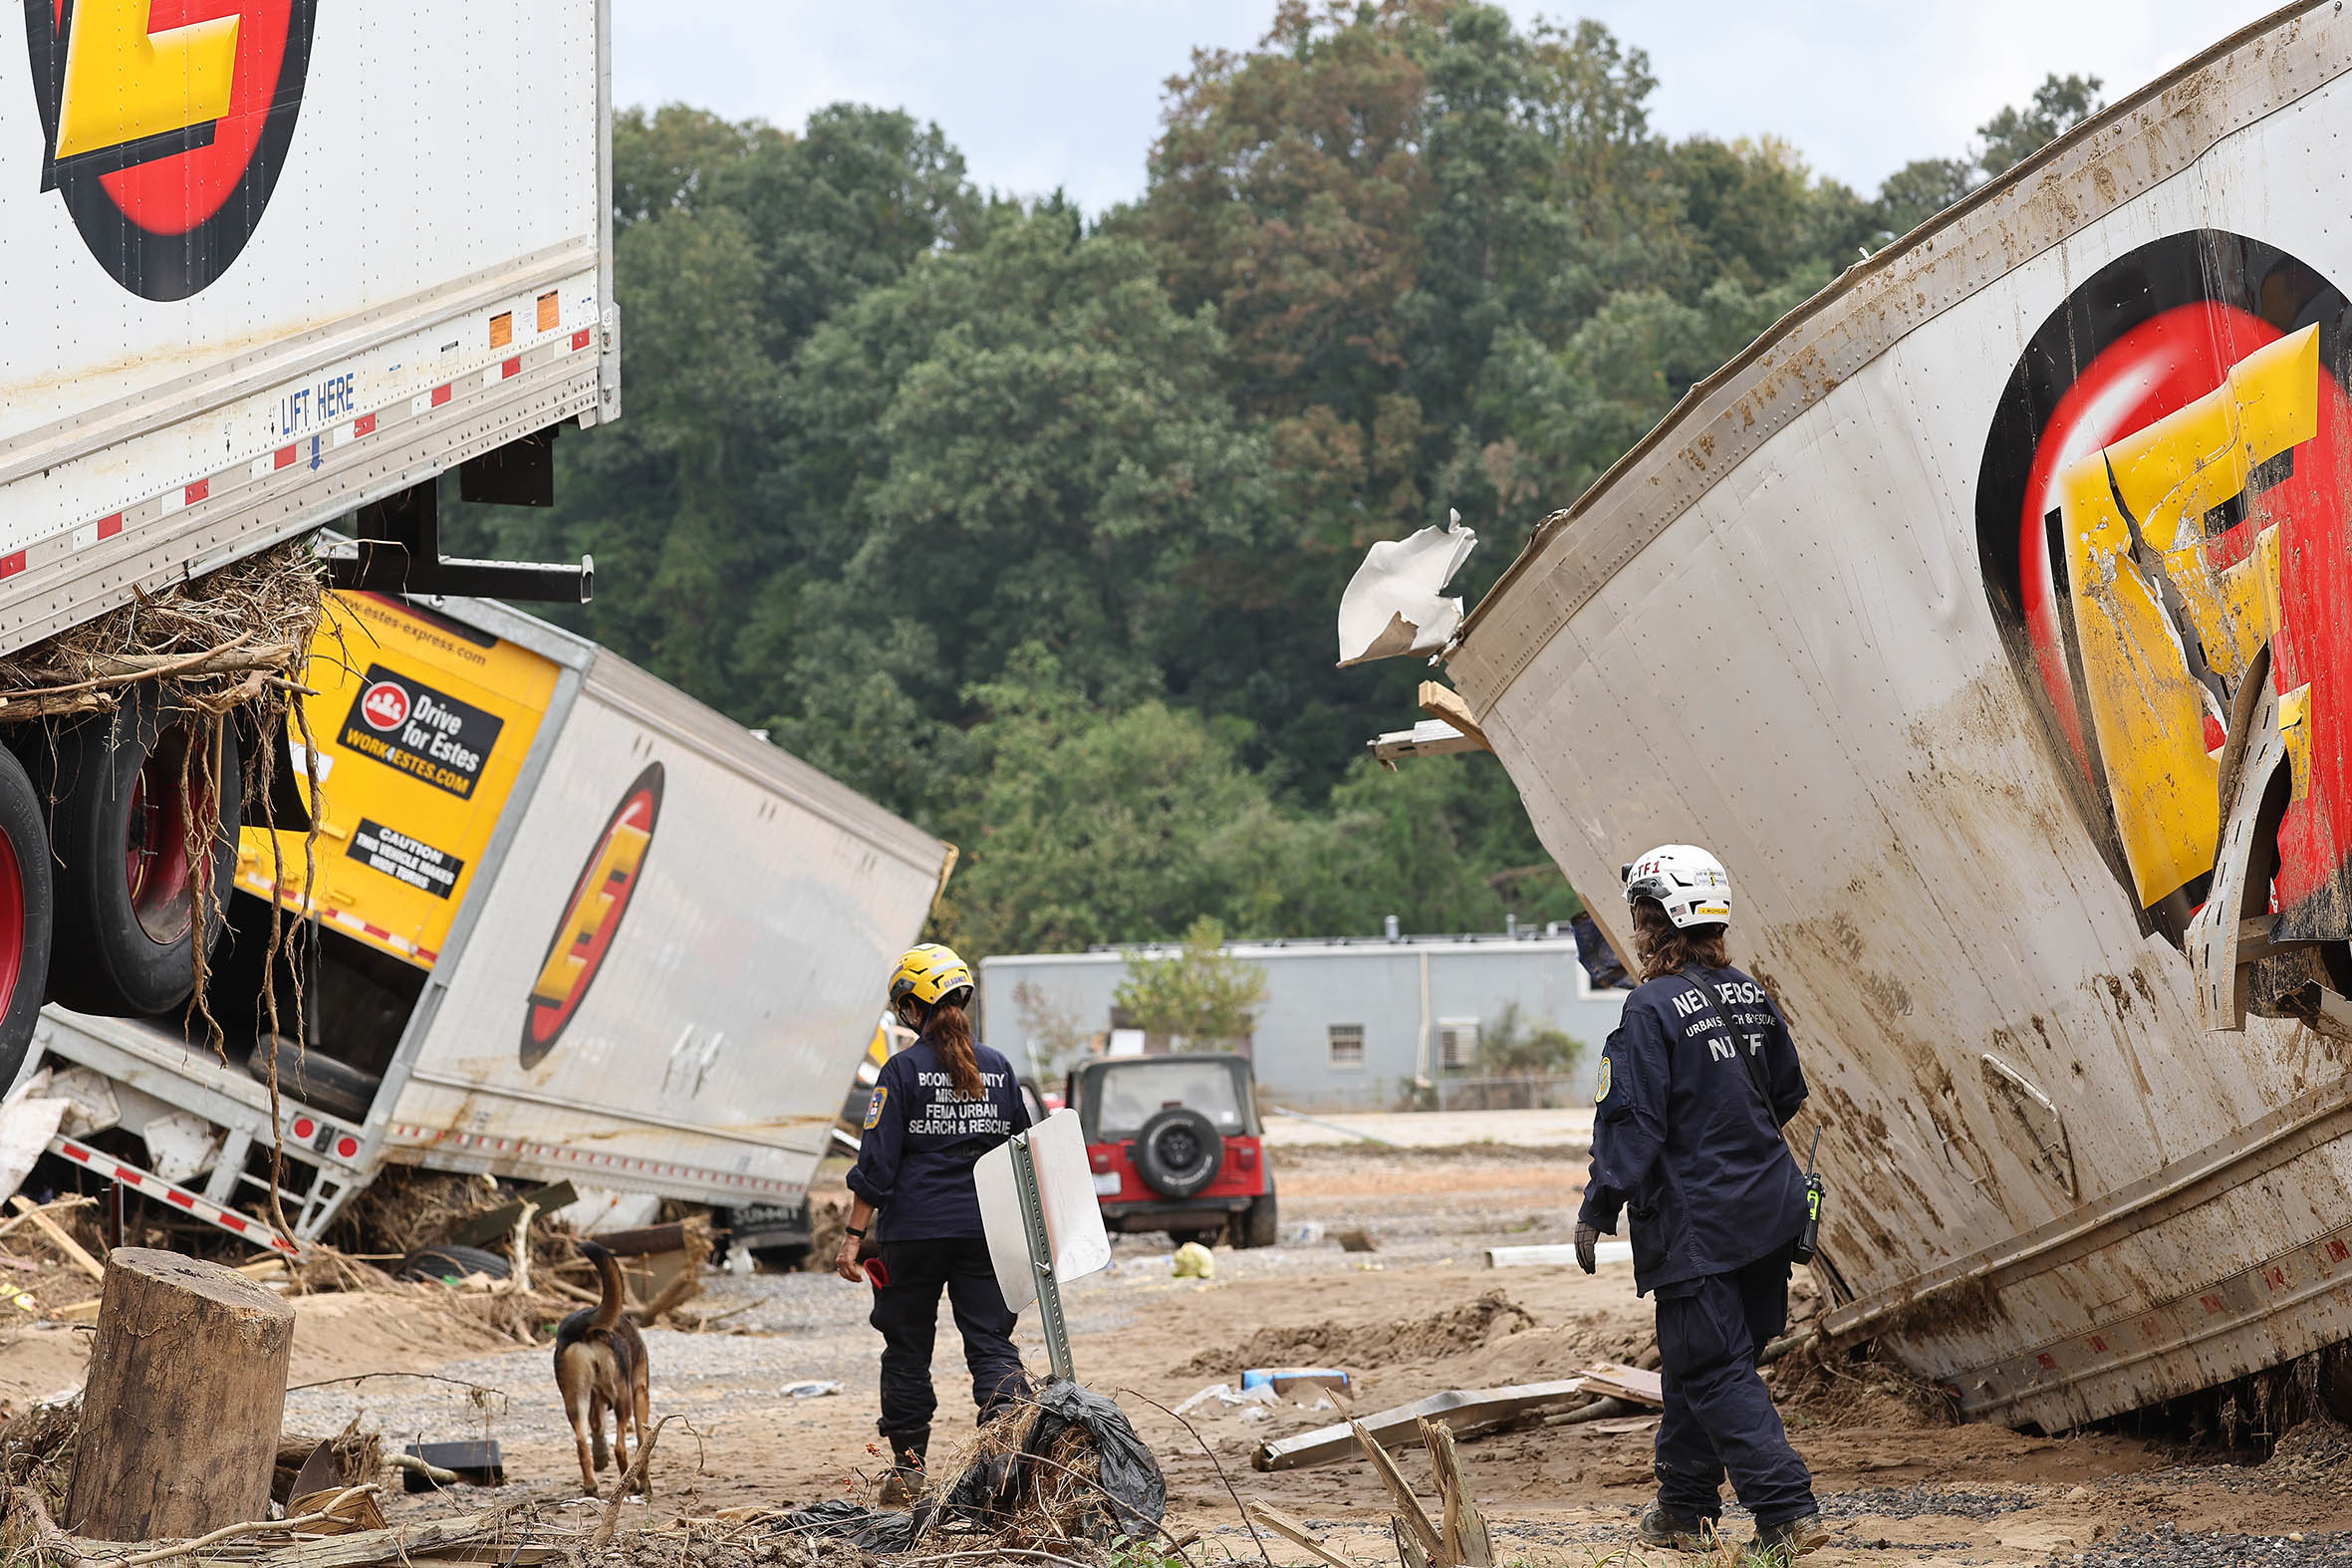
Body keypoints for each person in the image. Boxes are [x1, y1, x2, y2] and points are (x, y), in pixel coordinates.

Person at [1573, 845, 1827, 1558]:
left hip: (1698, 1227)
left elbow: (1632, 1122)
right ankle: (1684, 1509)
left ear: (1659, 920)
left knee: (1713, 1368)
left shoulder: (1649, 1007)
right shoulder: (1749, 991)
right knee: (1705, 1363)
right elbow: (1783, 1095)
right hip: (1768, 1213)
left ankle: (1785, 1512)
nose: (1635, 927)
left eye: (1640, 914)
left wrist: (1598, 1208)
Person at [836, 942, 1032, 1502]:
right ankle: (1008, 1469)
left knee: (906, 1348)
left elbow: (876, 1164)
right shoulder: (998, 1068)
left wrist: (852, 1239)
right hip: (984, 1234)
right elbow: (1022, 1152)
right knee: (992, 1345)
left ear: (914, 1006)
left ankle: (907, 1473)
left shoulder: (901, 1070)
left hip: (912, 1235)